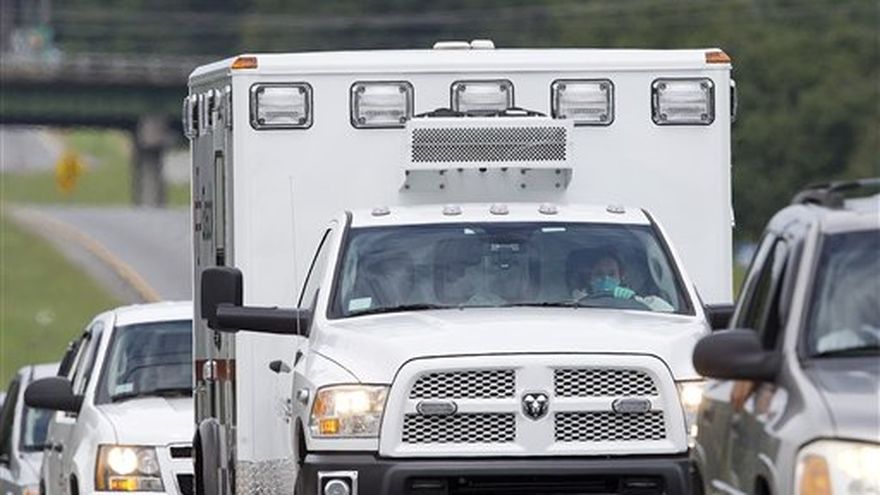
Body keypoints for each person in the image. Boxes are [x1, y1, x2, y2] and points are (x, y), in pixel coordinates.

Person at [571, 251, 674, 312]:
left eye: (612, 274)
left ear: (621, 277)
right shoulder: (574, 303)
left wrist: (634, 300)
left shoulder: (643, 302)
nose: (606, 278)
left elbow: (671, 316)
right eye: (599, 274)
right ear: (590, 278)